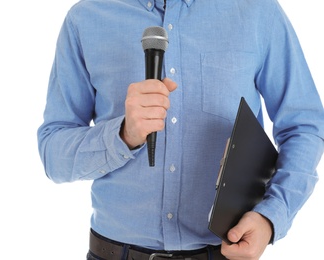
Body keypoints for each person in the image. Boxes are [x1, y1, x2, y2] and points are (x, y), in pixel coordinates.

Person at [37, 0, 324, 259]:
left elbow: (304, 126)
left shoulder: (257, 11)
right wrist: (123, 135)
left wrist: (271, 216)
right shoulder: (85, 18)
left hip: (225, 252)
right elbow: (54, 154)